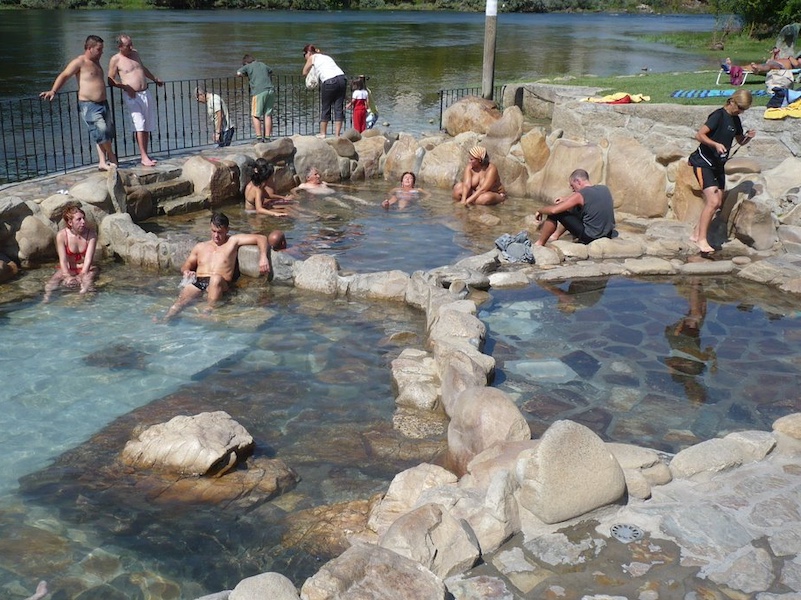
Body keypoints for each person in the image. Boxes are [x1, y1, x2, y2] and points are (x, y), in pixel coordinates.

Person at [161, 212, 269, 321]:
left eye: (220, 232)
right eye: (213, 231)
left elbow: (261, 238)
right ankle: (166, 319)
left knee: (215, 279)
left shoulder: (233, 241)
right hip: (199, 282)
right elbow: (186, 265)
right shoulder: (200, 247)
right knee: (179, 303)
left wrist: (263, 257)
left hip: (220, 283)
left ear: (227, 230)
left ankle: (209, 310)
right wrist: (186, 271)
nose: (216, 236)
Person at [688, 89, 755, 254]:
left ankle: (696, 233)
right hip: (703, 161)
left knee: (718, 201)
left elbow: (740, 140)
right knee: (712, 201)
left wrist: (748, 137)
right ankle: (701, 240)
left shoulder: (735, 119)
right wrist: (715, 144)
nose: (741, 111)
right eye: (740, 107)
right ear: (732, 102)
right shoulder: (718, 115)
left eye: (744, 109)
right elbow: (700, 135)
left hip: (718, 165)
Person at [40, 35, 118, 171]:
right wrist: (53, 91)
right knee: (102, 131)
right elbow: (65, 75)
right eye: (99, 49)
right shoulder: (79, 62)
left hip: (103, 103)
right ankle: (111, 156)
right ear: (89, 48)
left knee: (104, 133)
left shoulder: (97, 61)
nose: (102, 52)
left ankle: (102, 162)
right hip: (89, 105)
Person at [107, 34, 164, 167]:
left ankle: (146, 154)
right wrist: (125, 87)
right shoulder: (115, 59)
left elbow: (142, 69)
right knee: (140, 124)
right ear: (120, 47)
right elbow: (110, 79)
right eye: (128, 45)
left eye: (131, 44)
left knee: (148, 125)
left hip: (145, 93)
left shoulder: (135, 54)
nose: (131, 47)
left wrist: (154, 79)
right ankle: (143, 156)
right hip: (132, 96)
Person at [533, 168, 616, 246]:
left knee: (555, 213)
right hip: (607, 234)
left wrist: (540, 210)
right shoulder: (604, 188)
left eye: (572, 186)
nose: (573, 189)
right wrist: (566, 199)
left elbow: (553, 211)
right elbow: (588, 198)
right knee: (574, 208)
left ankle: (540, 243)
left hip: (591, 237)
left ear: (578, 181)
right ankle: (555, 235)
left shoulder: (581, 195)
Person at [43, 203, 99, 302]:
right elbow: (63, 260)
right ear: (70, 222)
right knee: (52, 282)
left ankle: (81, 300)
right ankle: (46, 300)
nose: (83, 222)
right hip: (68, 268)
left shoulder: (91, 235)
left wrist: (82, 275)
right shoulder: (62, 235)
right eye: (79, 219)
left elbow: (88, 259)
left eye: (83, 218)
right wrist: (67, 275)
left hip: (86, 268)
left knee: (87, 281)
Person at [302, 44, 347, 139]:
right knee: (338, 108)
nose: (305, 57)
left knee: (326, 107)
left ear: (308, 53)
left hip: (329, 81)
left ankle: (323, 133)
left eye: (304, 55)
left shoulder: (312, 57)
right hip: (342, 78)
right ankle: (337, 135)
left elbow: (304, 72)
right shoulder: (326, 57)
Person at [236, 54, 275, 143]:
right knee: (268, 115)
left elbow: (238, 73)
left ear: (246, 62)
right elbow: (271, 71)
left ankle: (259, 138)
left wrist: (247, 75)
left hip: (259, 91)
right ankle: (268, 138)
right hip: (270, 90)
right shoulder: (262, 64)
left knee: (255, 115)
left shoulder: (248, 66)